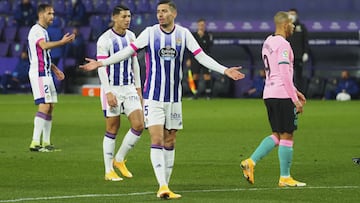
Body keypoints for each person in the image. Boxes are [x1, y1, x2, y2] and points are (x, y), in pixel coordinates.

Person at [80, 0, 245, 199]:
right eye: (158, 11)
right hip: (153, 98)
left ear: (173, 14)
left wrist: (225, 70)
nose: (160, 14)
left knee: (170, 139)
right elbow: (127, 52)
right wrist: (101, 63)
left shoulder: (183, 34)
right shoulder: (149, 33)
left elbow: (202, 57)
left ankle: (165, 184)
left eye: (164, 11)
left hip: (174, 99)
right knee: (156, 138)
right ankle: (162, 185)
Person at [240, 11, 307, 187]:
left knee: (277, 135)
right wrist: (295, 99)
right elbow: (284, 74)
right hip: (282, 95)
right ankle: (285, 177)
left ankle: (250, 162)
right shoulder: (284, 45)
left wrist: (296, 90)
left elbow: (277, 73)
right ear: (285, 25)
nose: (293, 26)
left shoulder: (268, 42)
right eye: (291, 24)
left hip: (269, 93)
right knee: (288, 135)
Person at [95, 5, 144, 182]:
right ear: (114, 18)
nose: (127, 19)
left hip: (129, 87)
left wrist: (138, 89)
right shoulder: (104, 40)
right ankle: (108, 170)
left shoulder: (131, 36)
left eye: (129, 16)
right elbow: (101, 68)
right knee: (112, 128)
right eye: (123, 16)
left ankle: (119, 159)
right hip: (112, 88)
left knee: (139, 125)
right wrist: (108, 93)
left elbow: (135, 64)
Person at [28, 4, 75, 152]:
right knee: (44, 105)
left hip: (46, 72)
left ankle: (46, 142)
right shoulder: (36, 31)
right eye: (49, 13)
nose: (52, 16)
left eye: (53, 13)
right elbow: (43, 46)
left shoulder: (43, 31)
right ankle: (35, 142)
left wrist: (54, 68)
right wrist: (61, 42)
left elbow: (44, 53)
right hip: (39, 73)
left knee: (51, 106)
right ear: (41, 14)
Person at [186, 18, 213, 99]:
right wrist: (189, 59)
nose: (201, 26)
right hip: (195, 58)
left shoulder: (208, 36)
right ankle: (195, 94)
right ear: (197, 25)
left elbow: (209, 47)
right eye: (200, 25)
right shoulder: (193, 36)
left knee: (207, 76)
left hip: (205, 58)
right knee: (195, 76)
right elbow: (189, 48)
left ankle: (208, 94)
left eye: (203, 25)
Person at [287, 8, 309, 93]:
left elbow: (305, 41)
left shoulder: (301, 27)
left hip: (298, 56)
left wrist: (306, 53)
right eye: (290, 14)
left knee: (298, 77)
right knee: (287, 75)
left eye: (293, 14)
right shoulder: (285, 27)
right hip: (287, 56)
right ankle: (287, 94)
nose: (291, 16)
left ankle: (299, 94)